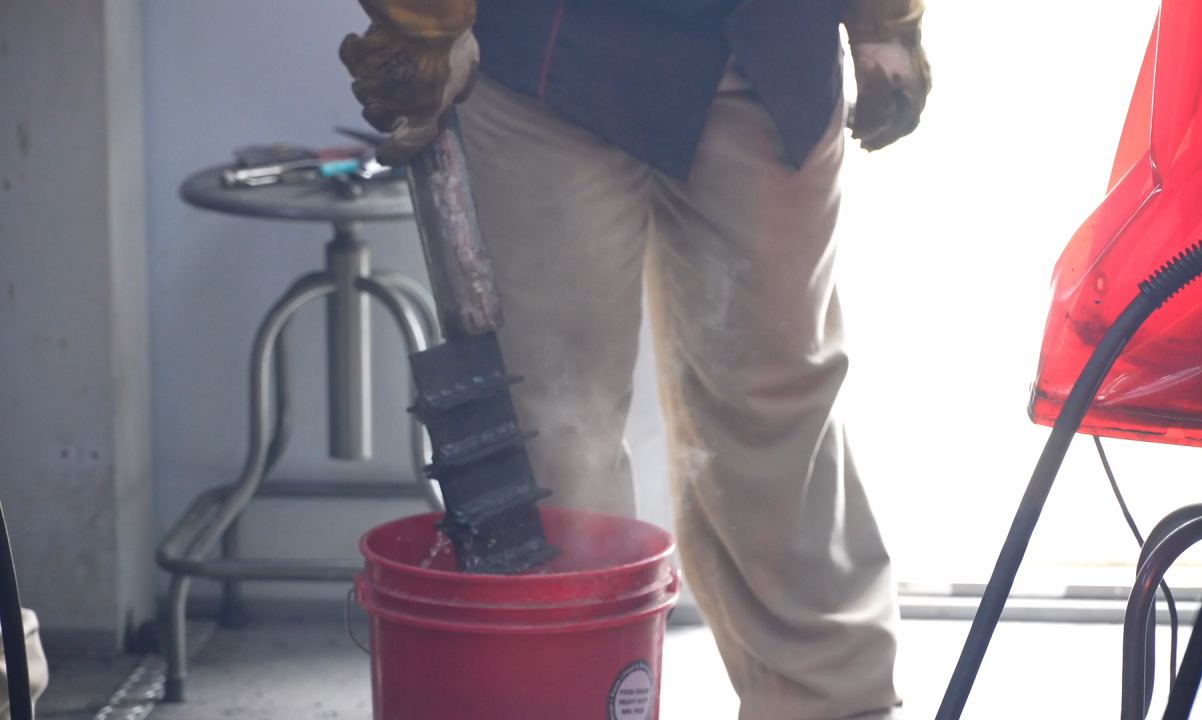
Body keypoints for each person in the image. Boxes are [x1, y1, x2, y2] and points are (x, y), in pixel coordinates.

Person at [341, 2, 930, 717]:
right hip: (551, 58)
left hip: (766, 49)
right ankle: (565, 696)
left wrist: (882, 18)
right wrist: (425, 21)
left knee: (778, 405)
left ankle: (830, 703)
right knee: (557, 428)